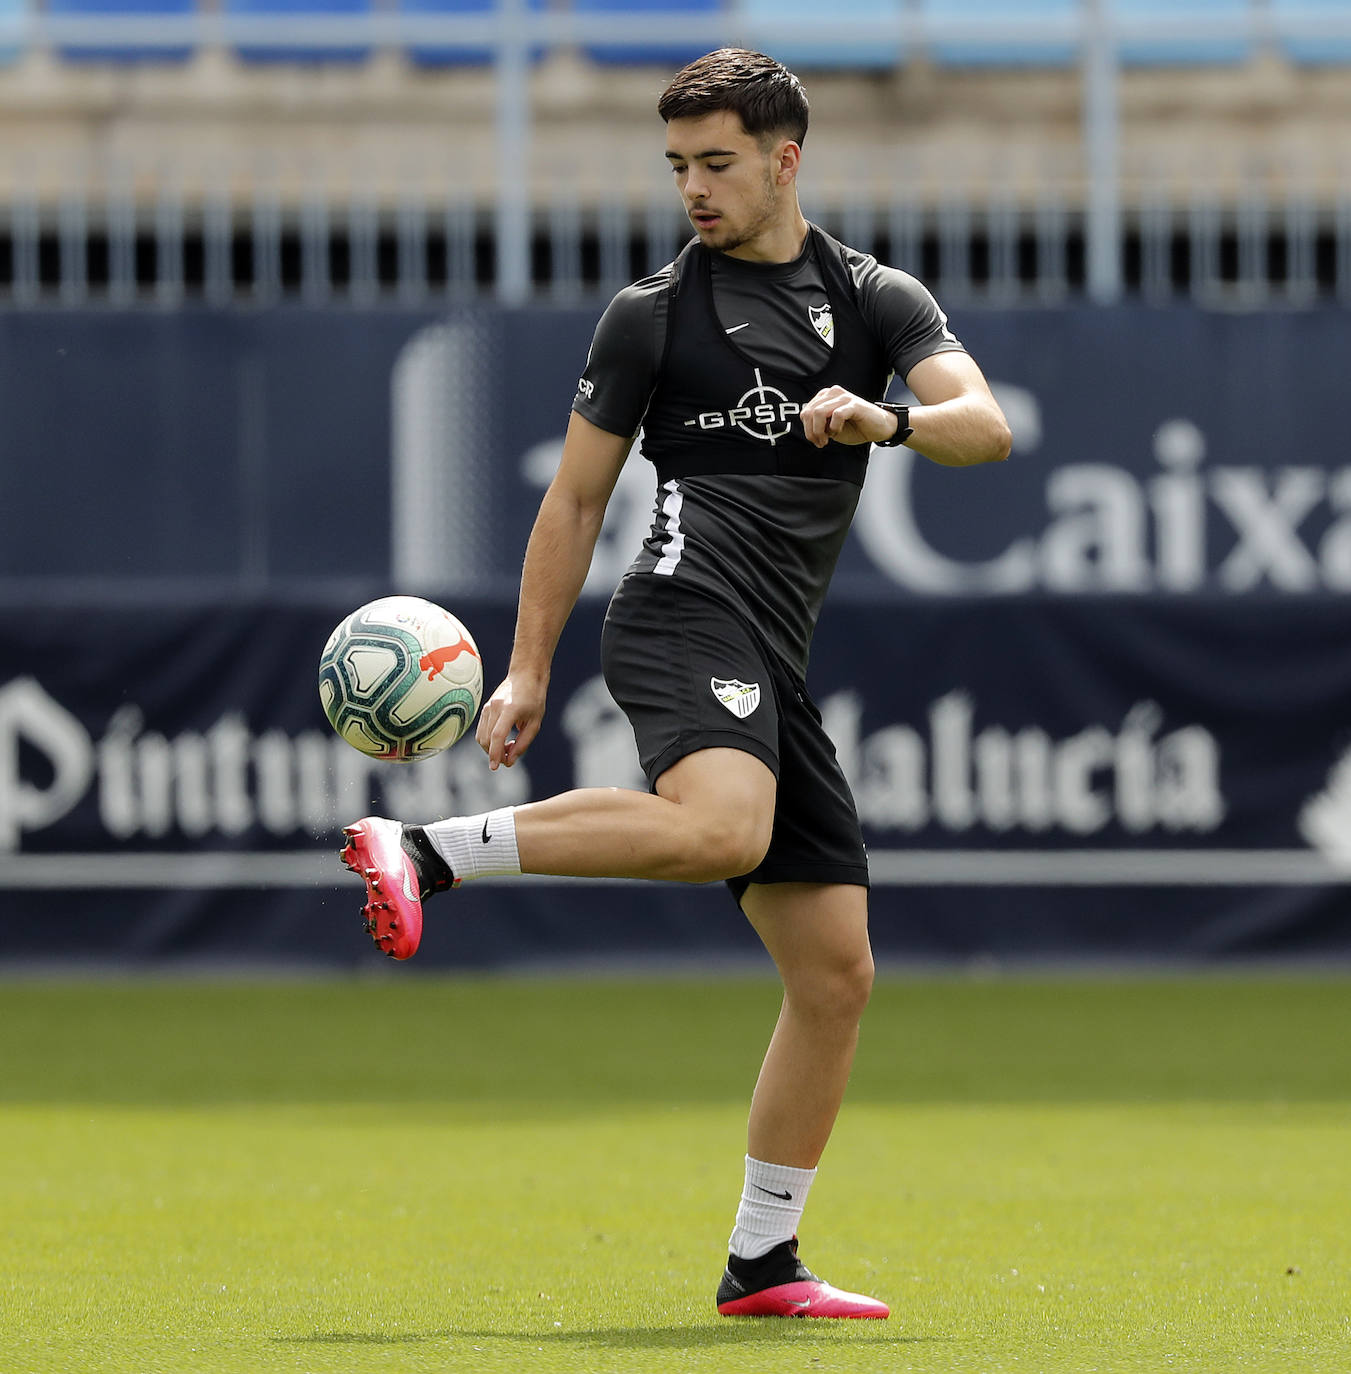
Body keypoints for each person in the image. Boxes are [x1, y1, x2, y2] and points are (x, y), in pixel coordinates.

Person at [342, 47, 1010, 1319]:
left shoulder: (873, 298)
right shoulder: (652, 312)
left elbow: (986, 424)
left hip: (772, 650)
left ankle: (763, 1261)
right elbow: (576, 498)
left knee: (834, 971)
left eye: (715, 163)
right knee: (721, 831)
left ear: (784, 159)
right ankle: (422, 850)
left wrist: (887, 423)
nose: (693, 189)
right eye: (677, 168)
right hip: (679, 608)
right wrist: (528, 667)